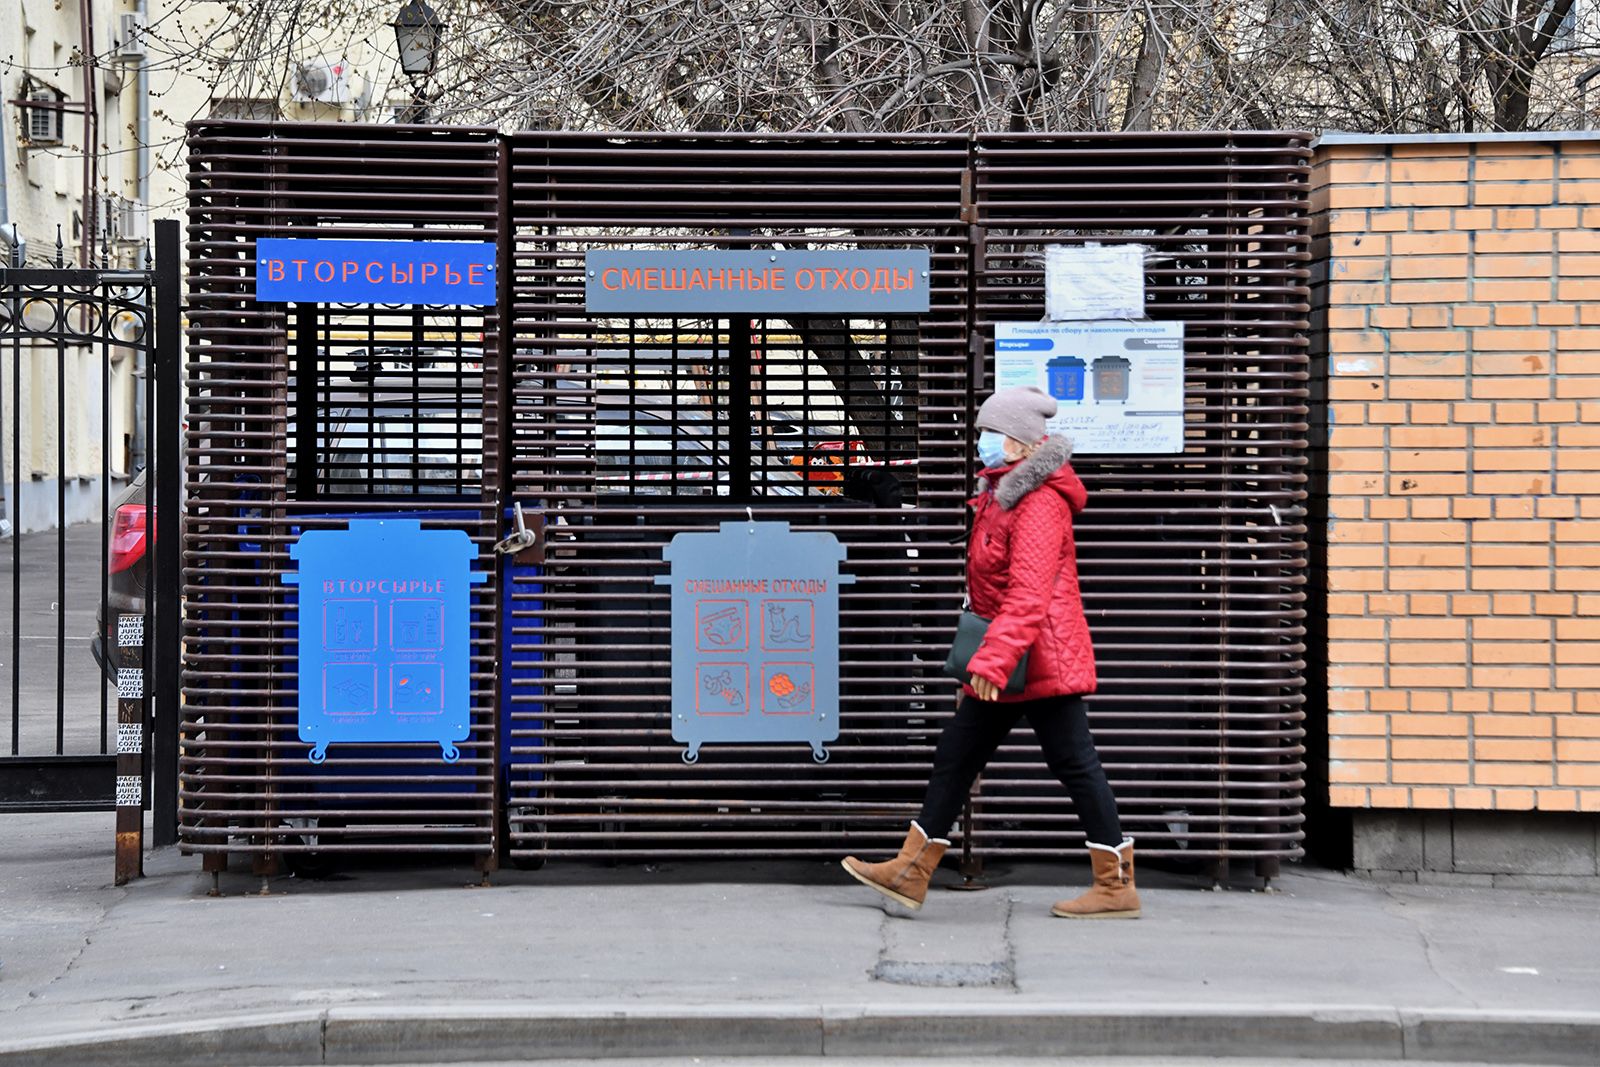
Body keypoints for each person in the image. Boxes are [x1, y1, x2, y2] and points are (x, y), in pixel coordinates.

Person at [841, 385, 1139, 919]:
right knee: (957, 754)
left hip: (1036, 655)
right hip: (1010, 654)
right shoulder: (1001, 494)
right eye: (981, 432)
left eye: (990, 433)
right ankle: (911, 871)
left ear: (1021, 445)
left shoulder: (1040, 501)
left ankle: (1115, 887)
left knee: (1073, 762)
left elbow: (1029, 593)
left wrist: (992, 662)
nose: (981, 442)